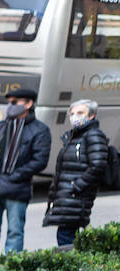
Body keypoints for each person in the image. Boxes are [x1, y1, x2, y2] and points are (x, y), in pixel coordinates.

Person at [0, 88, 50, 257]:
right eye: (9, 102)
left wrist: (15, 177)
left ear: (29, 104)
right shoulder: (0, 127)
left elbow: (39, 161)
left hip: (16, 189)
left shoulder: (40, 130)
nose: (10, 106)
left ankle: (11, 269)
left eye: (15, 102)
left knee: (15, 233)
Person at [43, 98, 110, 248]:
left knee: (65, 237)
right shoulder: (74, 137)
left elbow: (98, 164)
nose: (75, 116)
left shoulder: (93, 135)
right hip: (68, 196)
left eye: (80, 113)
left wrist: (76, 186)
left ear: (91, 115)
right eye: (72, 113)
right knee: (67, 236)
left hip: (76, 197)